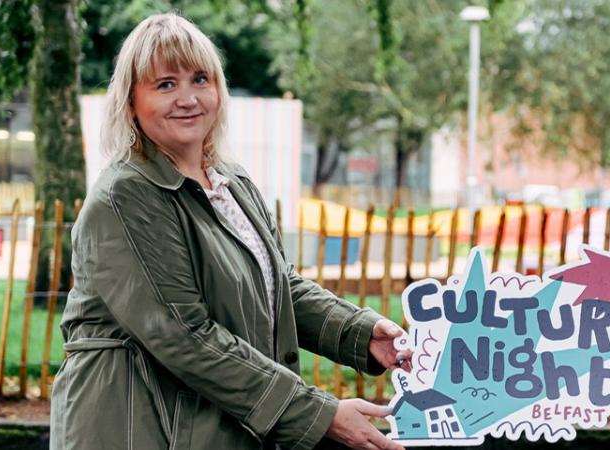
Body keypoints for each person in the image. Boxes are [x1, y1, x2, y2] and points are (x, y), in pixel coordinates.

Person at [50, 14, 408, 450]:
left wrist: (363, 333)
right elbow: (183, 333)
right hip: (137, 429)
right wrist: (318, 413)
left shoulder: (229, 182)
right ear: (130, 103)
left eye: (200, 79)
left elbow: (279, 287)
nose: (188, 98)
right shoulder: (126, 196)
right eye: (165, 85)